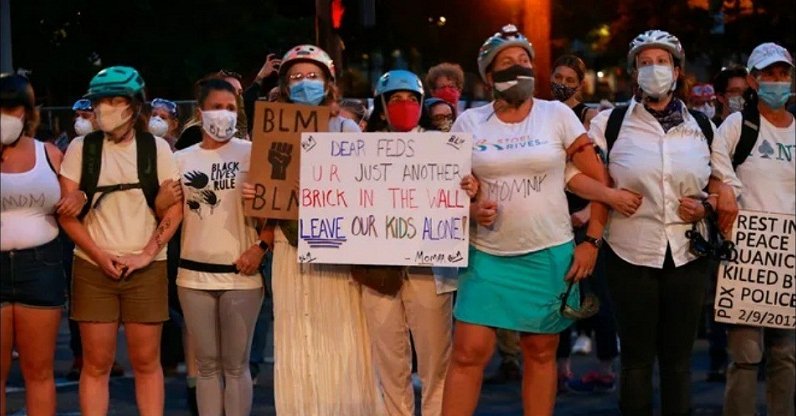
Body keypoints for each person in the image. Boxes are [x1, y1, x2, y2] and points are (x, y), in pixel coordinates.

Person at [441, 24, 609, 415]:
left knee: (539, 352)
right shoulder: (469, 123)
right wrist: (469, 208)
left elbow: (600, 183)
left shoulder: (558, 115)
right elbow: (446, 190)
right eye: (506, 62)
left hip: (548, 252)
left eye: (524, 61)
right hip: (487, 254)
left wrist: (592, 242)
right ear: (488, 75)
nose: (518, 67)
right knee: (468, 353)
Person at [244, 44, 383, 415]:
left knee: (342, 333)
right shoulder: (273, 129)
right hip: (291, 246)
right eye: (296, 77)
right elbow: (269, 182)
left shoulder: (346, 126)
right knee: (295, 332)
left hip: (337, 245)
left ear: (328, 81)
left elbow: (363, 187)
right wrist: (257, 193)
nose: (305, 83)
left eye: (312, 76)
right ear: (286, 86)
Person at [587, 30, 716, 415]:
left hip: (688, 255)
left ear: (677, 71)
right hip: (629, 254)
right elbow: (581, 177)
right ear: (633, 73)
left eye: (662, 62)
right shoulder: (610, 123)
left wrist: (706, 207)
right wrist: (611, 196)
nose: (653, 70)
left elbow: (722, 186)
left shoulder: (703, 126)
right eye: (645, 63)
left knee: (678, 362)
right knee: (637, 361)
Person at [58, 66, 182, 415]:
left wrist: (146, 254)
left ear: (134, 105)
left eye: (116, 100)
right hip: (93, 266)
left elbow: (175, 210)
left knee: (147, 362)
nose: (106, 109)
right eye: (101, 101)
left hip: (147, 266)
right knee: (95, 364)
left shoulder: (156, 148)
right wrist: (98, 255)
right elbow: (67, 213)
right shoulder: (82, 148)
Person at [361, 69, 471, 416]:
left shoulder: (443, 148)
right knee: (390, 361)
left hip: (430, 269)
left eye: (412, 99)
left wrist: (469, 188)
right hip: (378, 269)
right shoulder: (360, 151)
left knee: (436, 359)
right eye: (395, 100)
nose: (405, 105)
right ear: (381, 106)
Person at [162, 77, 266, 416]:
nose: (225, 115)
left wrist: (260, 248)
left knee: (236, 366)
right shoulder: (181, 158)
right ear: (201, 111)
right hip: (193, 277)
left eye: (231, 108)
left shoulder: (254, 154)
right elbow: (170, 213)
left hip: (241, 274)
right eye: (218, 108)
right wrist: (160, 201)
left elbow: (277, 212)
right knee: (206, 366)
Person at [710, 42, 795, 416]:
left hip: (788, 257)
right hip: (745, 255)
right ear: (752, 80)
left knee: (785, 355)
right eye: (768, 75)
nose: (777, 81)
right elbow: (714, 174)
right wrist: (724, 191)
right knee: (745, 356)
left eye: (783, 74)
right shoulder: (736, 126)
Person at [0, 73, 84, 416]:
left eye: (11, 108)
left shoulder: (50, 153)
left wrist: (78, 196)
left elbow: (73, 202)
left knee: (39, 371)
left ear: (28, 112)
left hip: (42, 267)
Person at [549, 54, 620, 394]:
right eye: (557, 75)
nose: (561, 81)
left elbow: (602, 171)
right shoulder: (545, 113)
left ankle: (605, 367)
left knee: (597, 297)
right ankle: (560, 368)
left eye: (568, 77)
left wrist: (590, 212)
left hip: (585, 218)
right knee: (557, 296)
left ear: (580, 83)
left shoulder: (590, 117)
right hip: (552, 219)